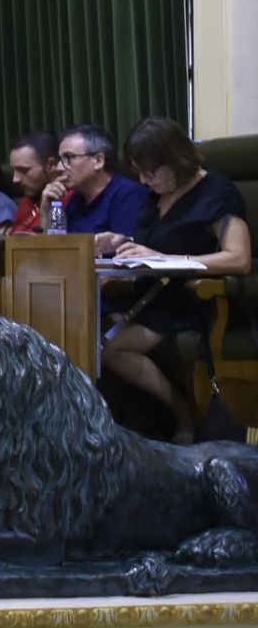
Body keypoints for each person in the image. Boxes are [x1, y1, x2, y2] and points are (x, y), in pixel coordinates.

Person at [97, 117, 253, 442]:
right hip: (151, 294)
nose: (142, 180)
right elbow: (160, 245)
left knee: (109, 350)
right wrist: (120, 242)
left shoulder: (217, 193)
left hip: (188, 299)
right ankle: (131, 430)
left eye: (149, 171)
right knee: (87, 332)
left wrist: (174, 261)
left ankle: (183, 414)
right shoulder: (155, 196)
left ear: (176, 160)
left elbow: (238, 259)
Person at [46, 124, 150, 245]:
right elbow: (55, 249)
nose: (59, 168)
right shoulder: (77, 197)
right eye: (60, 159)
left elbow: (127, 254)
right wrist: (46, 208)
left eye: (69, 158)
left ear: (99, 161)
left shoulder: (129, 195)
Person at [7, 131, 58, 236]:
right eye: (14, 170)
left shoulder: (70, 201)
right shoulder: (27, 201)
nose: (15, 179)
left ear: (51, 165)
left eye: (23, 170)